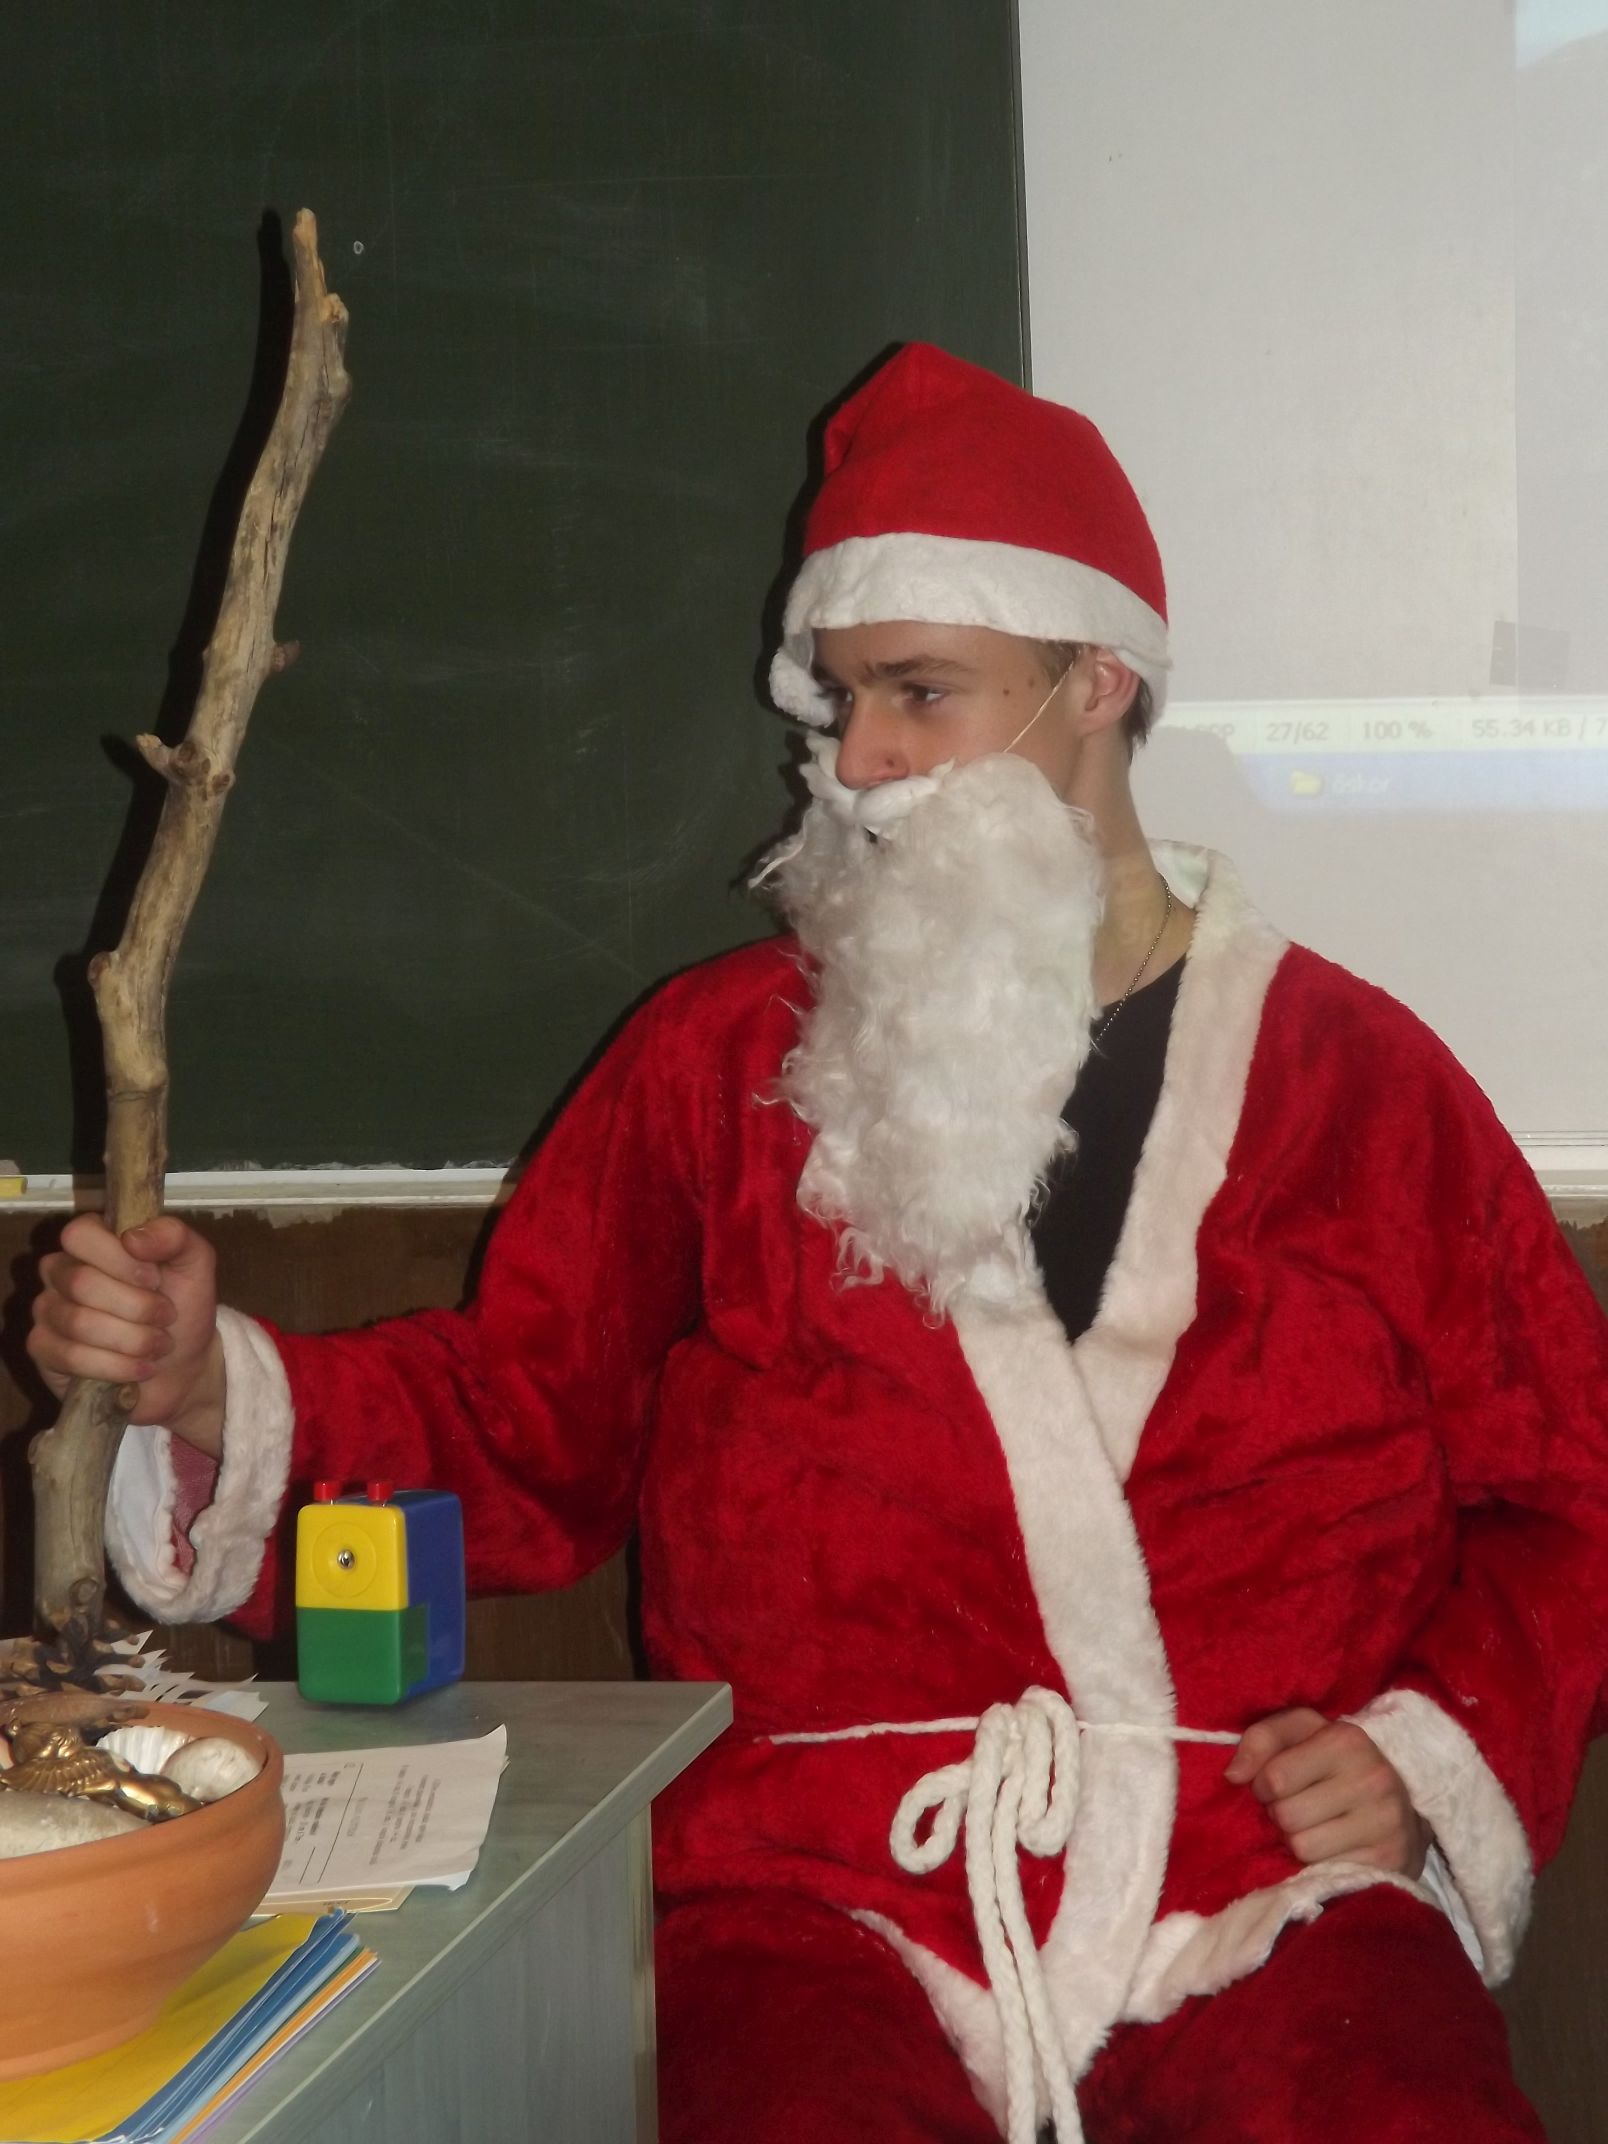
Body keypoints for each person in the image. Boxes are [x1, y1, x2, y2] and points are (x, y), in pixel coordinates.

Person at [27, 343, 1608, 2144]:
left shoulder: (1362, 1088)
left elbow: (1578, 1491)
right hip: (817, 1896)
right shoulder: (716, 1064)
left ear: (1096, 682)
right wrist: (204, 1387)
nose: (859, 764)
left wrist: (1422, 1749)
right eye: (842, 701)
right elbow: (521, 1417)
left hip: (1260, 1887)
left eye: (922, 694)